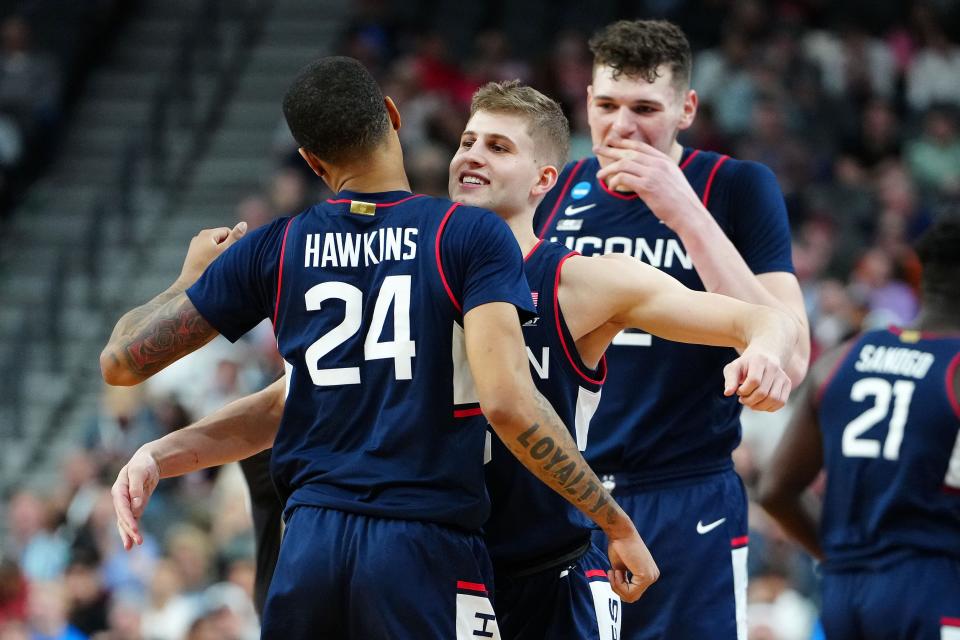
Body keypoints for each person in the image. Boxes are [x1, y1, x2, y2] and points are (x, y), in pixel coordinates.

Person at [112, 80, 795, 639]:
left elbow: (756, 316)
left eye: (498, 146)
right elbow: (297, 400)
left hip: (546, 569)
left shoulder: (581, 279)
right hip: (441, 561)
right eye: (468, 139)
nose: (472, 155)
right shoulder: (427, 249)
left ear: (545, 178)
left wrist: (765, 349)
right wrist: (162, 453)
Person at [533, 19, 811, 640]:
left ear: (686, 108)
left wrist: (681, 208)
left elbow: (793, 353)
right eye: (606, 105)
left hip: (684, 490)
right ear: (586, 103)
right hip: (569, 489)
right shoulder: (554, 194)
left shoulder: (735, 186)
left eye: (644, 108)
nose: (622, 127)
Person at [758, 216, 960, 640]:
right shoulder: (955, 369)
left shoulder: (842, 358)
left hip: (846, 591)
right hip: (934, 585)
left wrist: (843, 558)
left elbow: (775, 490)